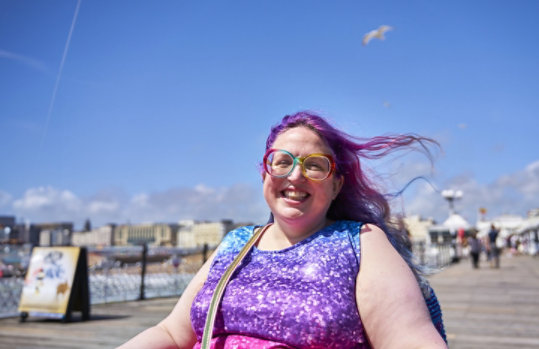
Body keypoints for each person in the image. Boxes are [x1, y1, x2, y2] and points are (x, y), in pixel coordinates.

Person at [118, 111, 447, 348]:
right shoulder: (237, 243)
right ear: (264, 174)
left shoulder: (360, 242)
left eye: (315, 165)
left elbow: (409, 338)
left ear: (336, 185)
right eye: (282, 161)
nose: (295, 176)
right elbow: (174, 334)